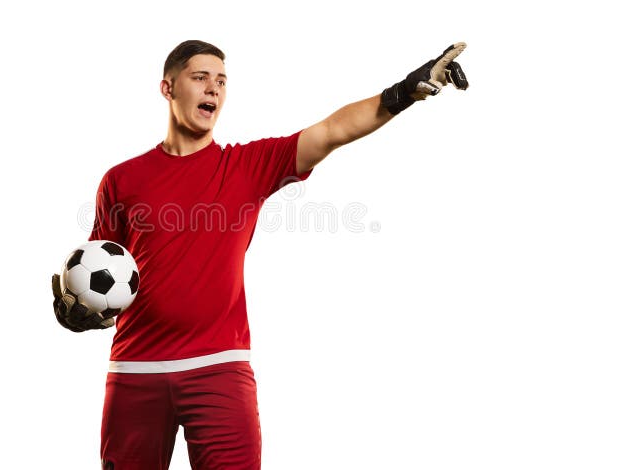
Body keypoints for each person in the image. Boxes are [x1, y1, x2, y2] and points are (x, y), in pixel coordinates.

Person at [52, 40, 468, 469]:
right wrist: (77, 311)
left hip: (219, 369)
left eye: (221, 81)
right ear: (168, 88)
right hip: (135, 371)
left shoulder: (247, 165)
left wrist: (401, 93)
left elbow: (330, 132)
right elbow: (101, 272)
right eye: (200, 78)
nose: (213, 89)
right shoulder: (121, 180)